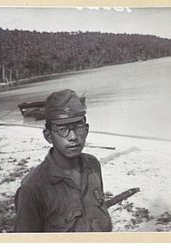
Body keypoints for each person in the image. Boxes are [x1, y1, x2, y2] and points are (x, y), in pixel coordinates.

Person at [14, 89, 112, 232]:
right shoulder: (33, 189)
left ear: (87, 130)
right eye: (63, 129)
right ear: (48, 136)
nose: (73, 137)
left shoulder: (92, 165)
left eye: (78, 127)